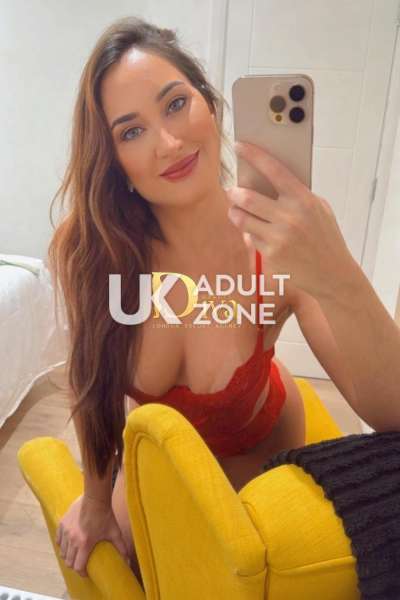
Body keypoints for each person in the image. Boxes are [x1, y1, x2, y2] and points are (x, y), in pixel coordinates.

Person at [50, 15, 400, 586]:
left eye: (176, 104)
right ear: (113, 162)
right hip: (156, 458)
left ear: (210, 105)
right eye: (131, 132)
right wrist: (93, 499)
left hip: (258, 448)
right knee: (134, 572)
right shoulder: (94, 253)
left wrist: (336, 270)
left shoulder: (279, 248)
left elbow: (393, 415)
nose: (169, 143)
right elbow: (93, 385)